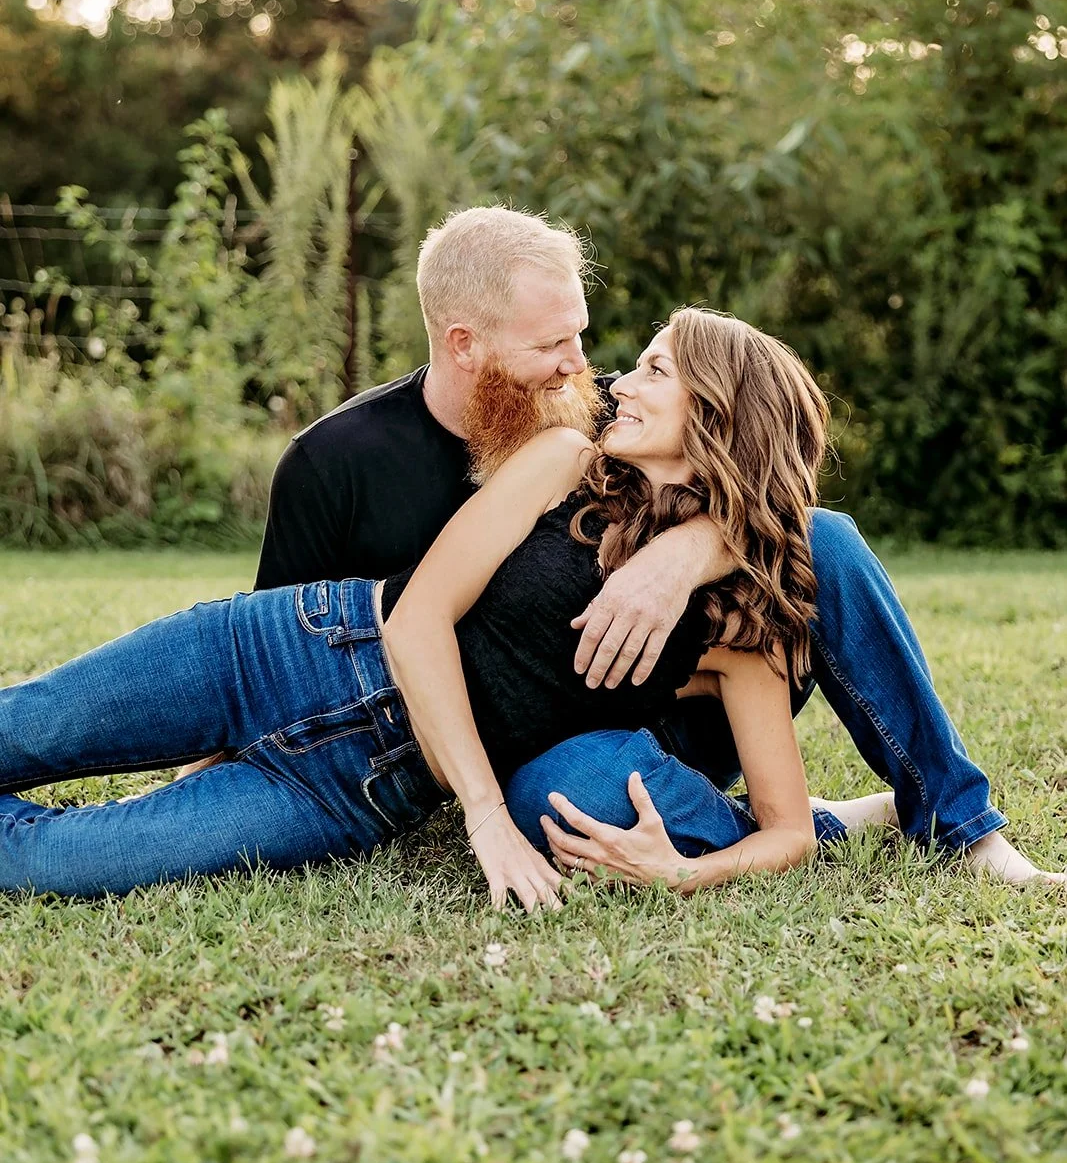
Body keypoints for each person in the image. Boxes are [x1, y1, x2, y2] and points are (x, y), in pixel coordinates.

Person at [241, 205, 1052, 887]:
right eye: (552, 346)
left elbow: (750, 475)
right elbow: (278, 664)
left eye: (584, 341)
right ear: (465, 343)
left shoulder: (598, 418)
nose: (584, 372)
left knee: (821, 537)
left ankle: (964, 828)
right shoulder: (334, 464)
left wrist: (688, 552)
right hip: (554, 736)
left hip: (696, 699)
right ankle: (815, 825)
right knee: (558, 794)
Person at [1, 308, 852, 906]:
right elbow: (417, 619)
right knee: (20, 729)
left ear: (716, 410)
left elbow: (787, 833)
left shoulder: (741, 627)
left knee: (53, 861)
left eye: (654, 369)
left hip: (350, 789)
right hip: (286, 651)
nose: (618, 380)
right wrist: (486, 820)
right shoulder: (562, 462)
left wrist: (685, 875)